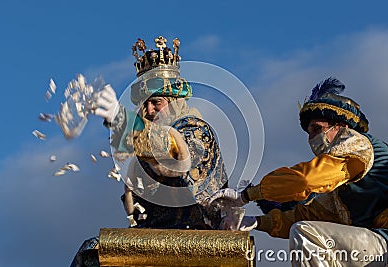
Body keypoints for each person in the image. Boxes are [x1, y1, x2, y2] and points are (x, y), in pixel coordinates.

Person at [70, 36, 228, 267]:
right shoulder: (142, 147)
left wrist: (123, 120)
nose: (149, 109)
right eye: (145, 104)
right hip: (156, 234)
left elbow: (175, 153)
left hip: (198, 233)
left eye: (157, 102)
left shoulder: (195, 130)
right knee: (92, 251)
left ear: (174, 101)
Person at [206, 77, 388, 266]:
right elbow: (308, 215)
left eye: (317, 129)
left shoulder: (359, 145)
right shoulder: (340, 188)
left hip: (384, 245)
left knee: (306, 234)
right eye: (309, 133)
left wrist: (246, 195)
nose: (311, 138)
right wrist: (257, 222)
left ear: (342, 127)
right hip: (374, 247)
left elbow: (306, 180)